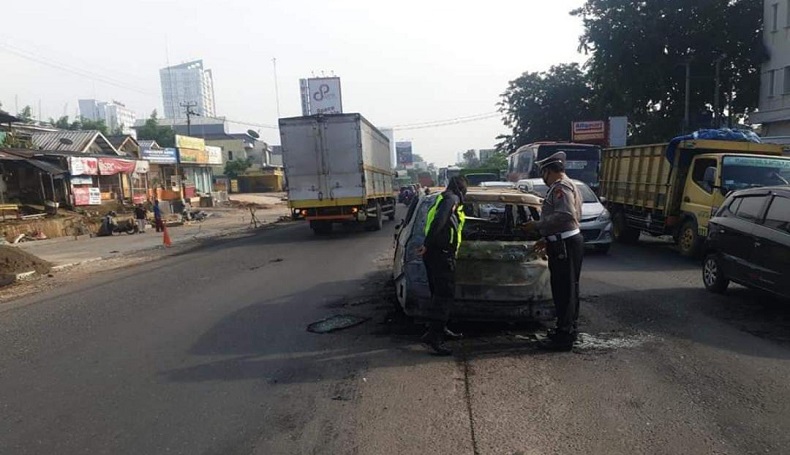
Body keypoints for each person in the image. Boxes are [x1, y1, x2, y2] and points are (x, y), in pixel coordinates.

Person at [521, 152, 584, 351]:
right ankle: (566, 330)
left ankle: (564, 336)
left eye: (543, 173)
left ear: (548, 171)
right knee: (568, 289)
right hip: (564, 240)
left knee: (564, 290)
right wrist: (546, 238)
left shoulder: (560, 187)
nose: (543, 177)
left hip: (565, 244)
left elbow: (566, 215)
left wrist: (537, 225)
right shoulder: (569, 184)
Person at [416, 175, 468, 356]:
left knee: (438, 295)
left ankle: (438, 330)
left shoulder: (443, 197)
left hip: (435, 254)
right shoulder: (451, 199)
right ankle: (434, 338)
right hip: (440, 254)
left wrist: (427, 245)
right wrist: (427, 244)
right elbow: (440, 220)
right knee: (444, 296)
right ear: (461, 188)